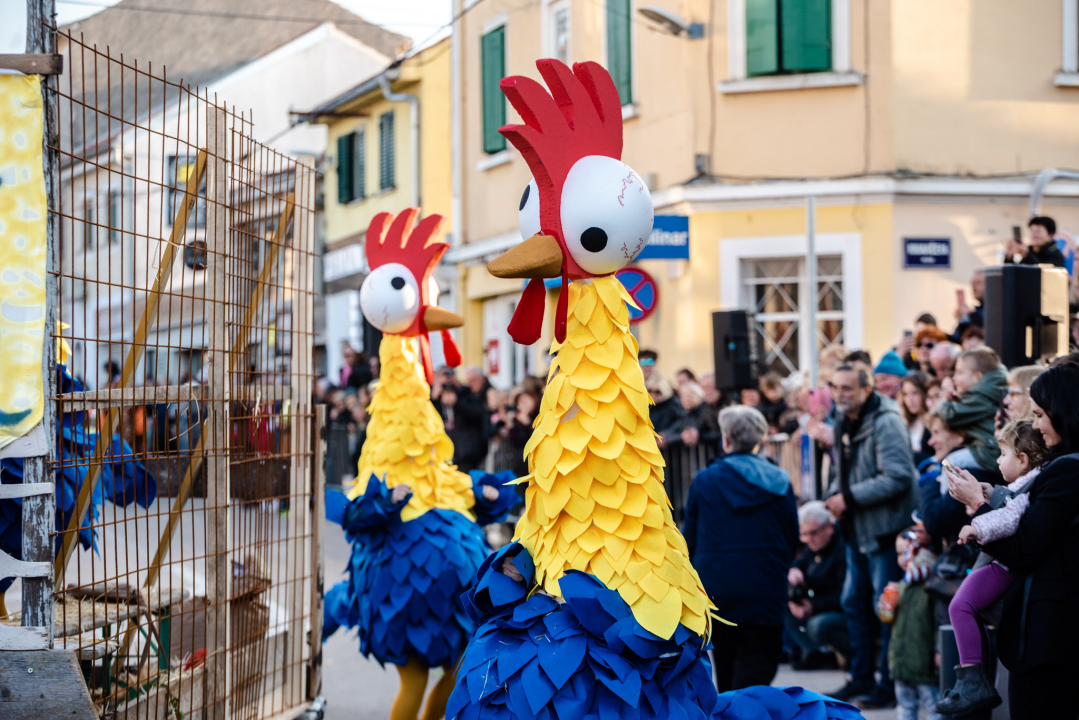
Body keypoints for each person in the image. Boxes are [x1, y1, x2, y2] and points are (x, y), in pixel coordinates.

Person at [957, 364, 1079, 719]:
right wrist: (993, 496)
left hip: (1051, 639)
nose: (1036, 426)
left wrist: (978, 510)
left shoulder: (1067, 470)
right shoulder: (1061, 465)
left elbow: (1025, 547)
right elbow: (1028, 510)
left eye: (1040, 415)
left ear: (1063, 411)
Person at [682, 405, 799, 691]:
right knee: (758, 665)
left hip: (717, 585)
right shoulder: (779, 481)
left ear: (726, 439)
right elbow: (791, 536)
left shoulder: (704, 480)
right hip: (765, 582)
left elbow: (689, 538)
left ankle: (729, 709)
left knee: (725, 663)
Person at [939, 420, 1048, 716]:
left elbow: (1008, 518)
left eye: (1003, 454)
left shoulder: (1030, 488)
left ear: (1022, 459)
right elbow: (1009, 500)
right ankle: (974, 679)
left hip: (1002, 566)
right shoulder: (1028, 484)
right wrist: (989, 493)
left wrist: (976, 525)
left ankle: (973, 681)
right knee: (964, 607)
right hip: (1002, 565)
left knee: (960, 607)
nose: (998, 461)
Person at [824, 364, 917, 707]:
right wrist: (834, 495)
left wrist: (848, 498)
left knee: (884, 607)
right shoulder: (842, 417)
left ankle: (888, 685)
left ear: (867, 389)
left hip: (884, 530)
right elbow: (841, 469)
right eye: (835, 387)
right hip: (855, 529)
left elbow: (898, 476)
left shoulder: (887, 421)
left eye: (847, 388)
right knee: (853, 602)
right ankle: (860, 677)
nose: (840, 394)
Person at [881, 526, 941, 720]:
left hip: (924, 665)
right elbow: (887, 619)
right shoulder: (901, 586)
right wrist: (885, 607)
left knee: (934, 707)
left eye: (906, 552)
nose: (902, 559)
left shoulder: (932, 588)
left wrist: (939, 650)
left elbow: (940, 624)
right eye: (899, 554)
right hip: (902, 663)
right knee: (905, 707)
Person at [785, 501, 850, 670]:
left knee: (817, 625)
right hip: (817, 604)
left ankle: (851, 655)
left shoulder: (842, 549)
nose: (809, 539)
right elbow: (801, 563)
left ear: (829, 527)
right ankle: (814, 653)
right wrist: (794, 570)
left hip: (838, 611)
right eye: (804, 534)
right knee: (782, 603)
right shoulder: (813, 548)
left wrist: (812, 606)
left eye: (813, 533)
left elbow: (844, 596)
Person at [933, 346, 1007, 472]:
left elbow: (951, 415)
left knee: (950, 462)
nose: (954, 378)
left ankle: (947, 486)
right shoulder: (986, 392)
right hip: (989, 449)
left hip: (990, 452)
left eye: (960, 372)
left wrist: (943, 400)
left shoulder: (981, 397)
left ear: (978, 377)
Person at [900, 371, 932, 465]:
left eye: (915, 393)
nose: (909, 399)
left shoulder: (932, 421)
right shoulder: (907, 420)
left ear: (925, 392)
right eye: (905, 394)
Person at [645, 373, 684, 448]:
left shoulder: (674, 405)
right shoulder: (646, 406)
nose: (653, 395)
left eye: (657, 392)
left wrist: (666, 434)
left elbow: (680, 422)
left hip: (672, 448)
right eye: (650, 390)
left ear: (665, 391)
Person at [952, 270, 986, 343]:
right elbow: (960, 340)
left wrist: (972, 315)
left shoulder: (997, 308)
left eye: (978, 282)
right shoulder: (977, 310)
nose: (974, 287)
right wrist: (962, 320)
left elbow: (989, 333)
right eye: (972, 283)